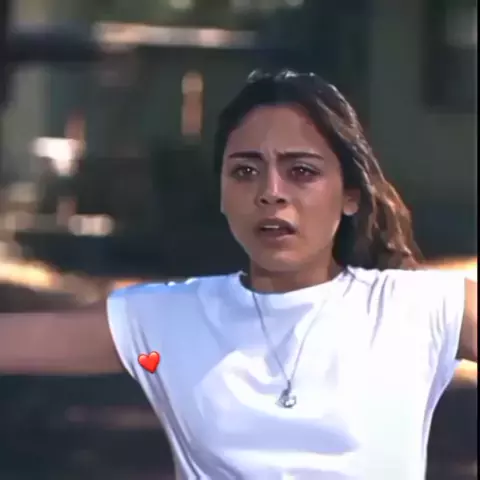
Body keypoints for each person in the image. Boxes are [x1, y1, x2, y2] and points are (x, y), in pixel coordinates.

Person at [0, 69, 477, 479]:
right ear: (223, 195)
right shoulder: (167, 319)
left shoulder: (420, 308)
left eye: (302, 171)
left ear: (350, 194)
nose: (271, 192)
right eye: (246, 172)